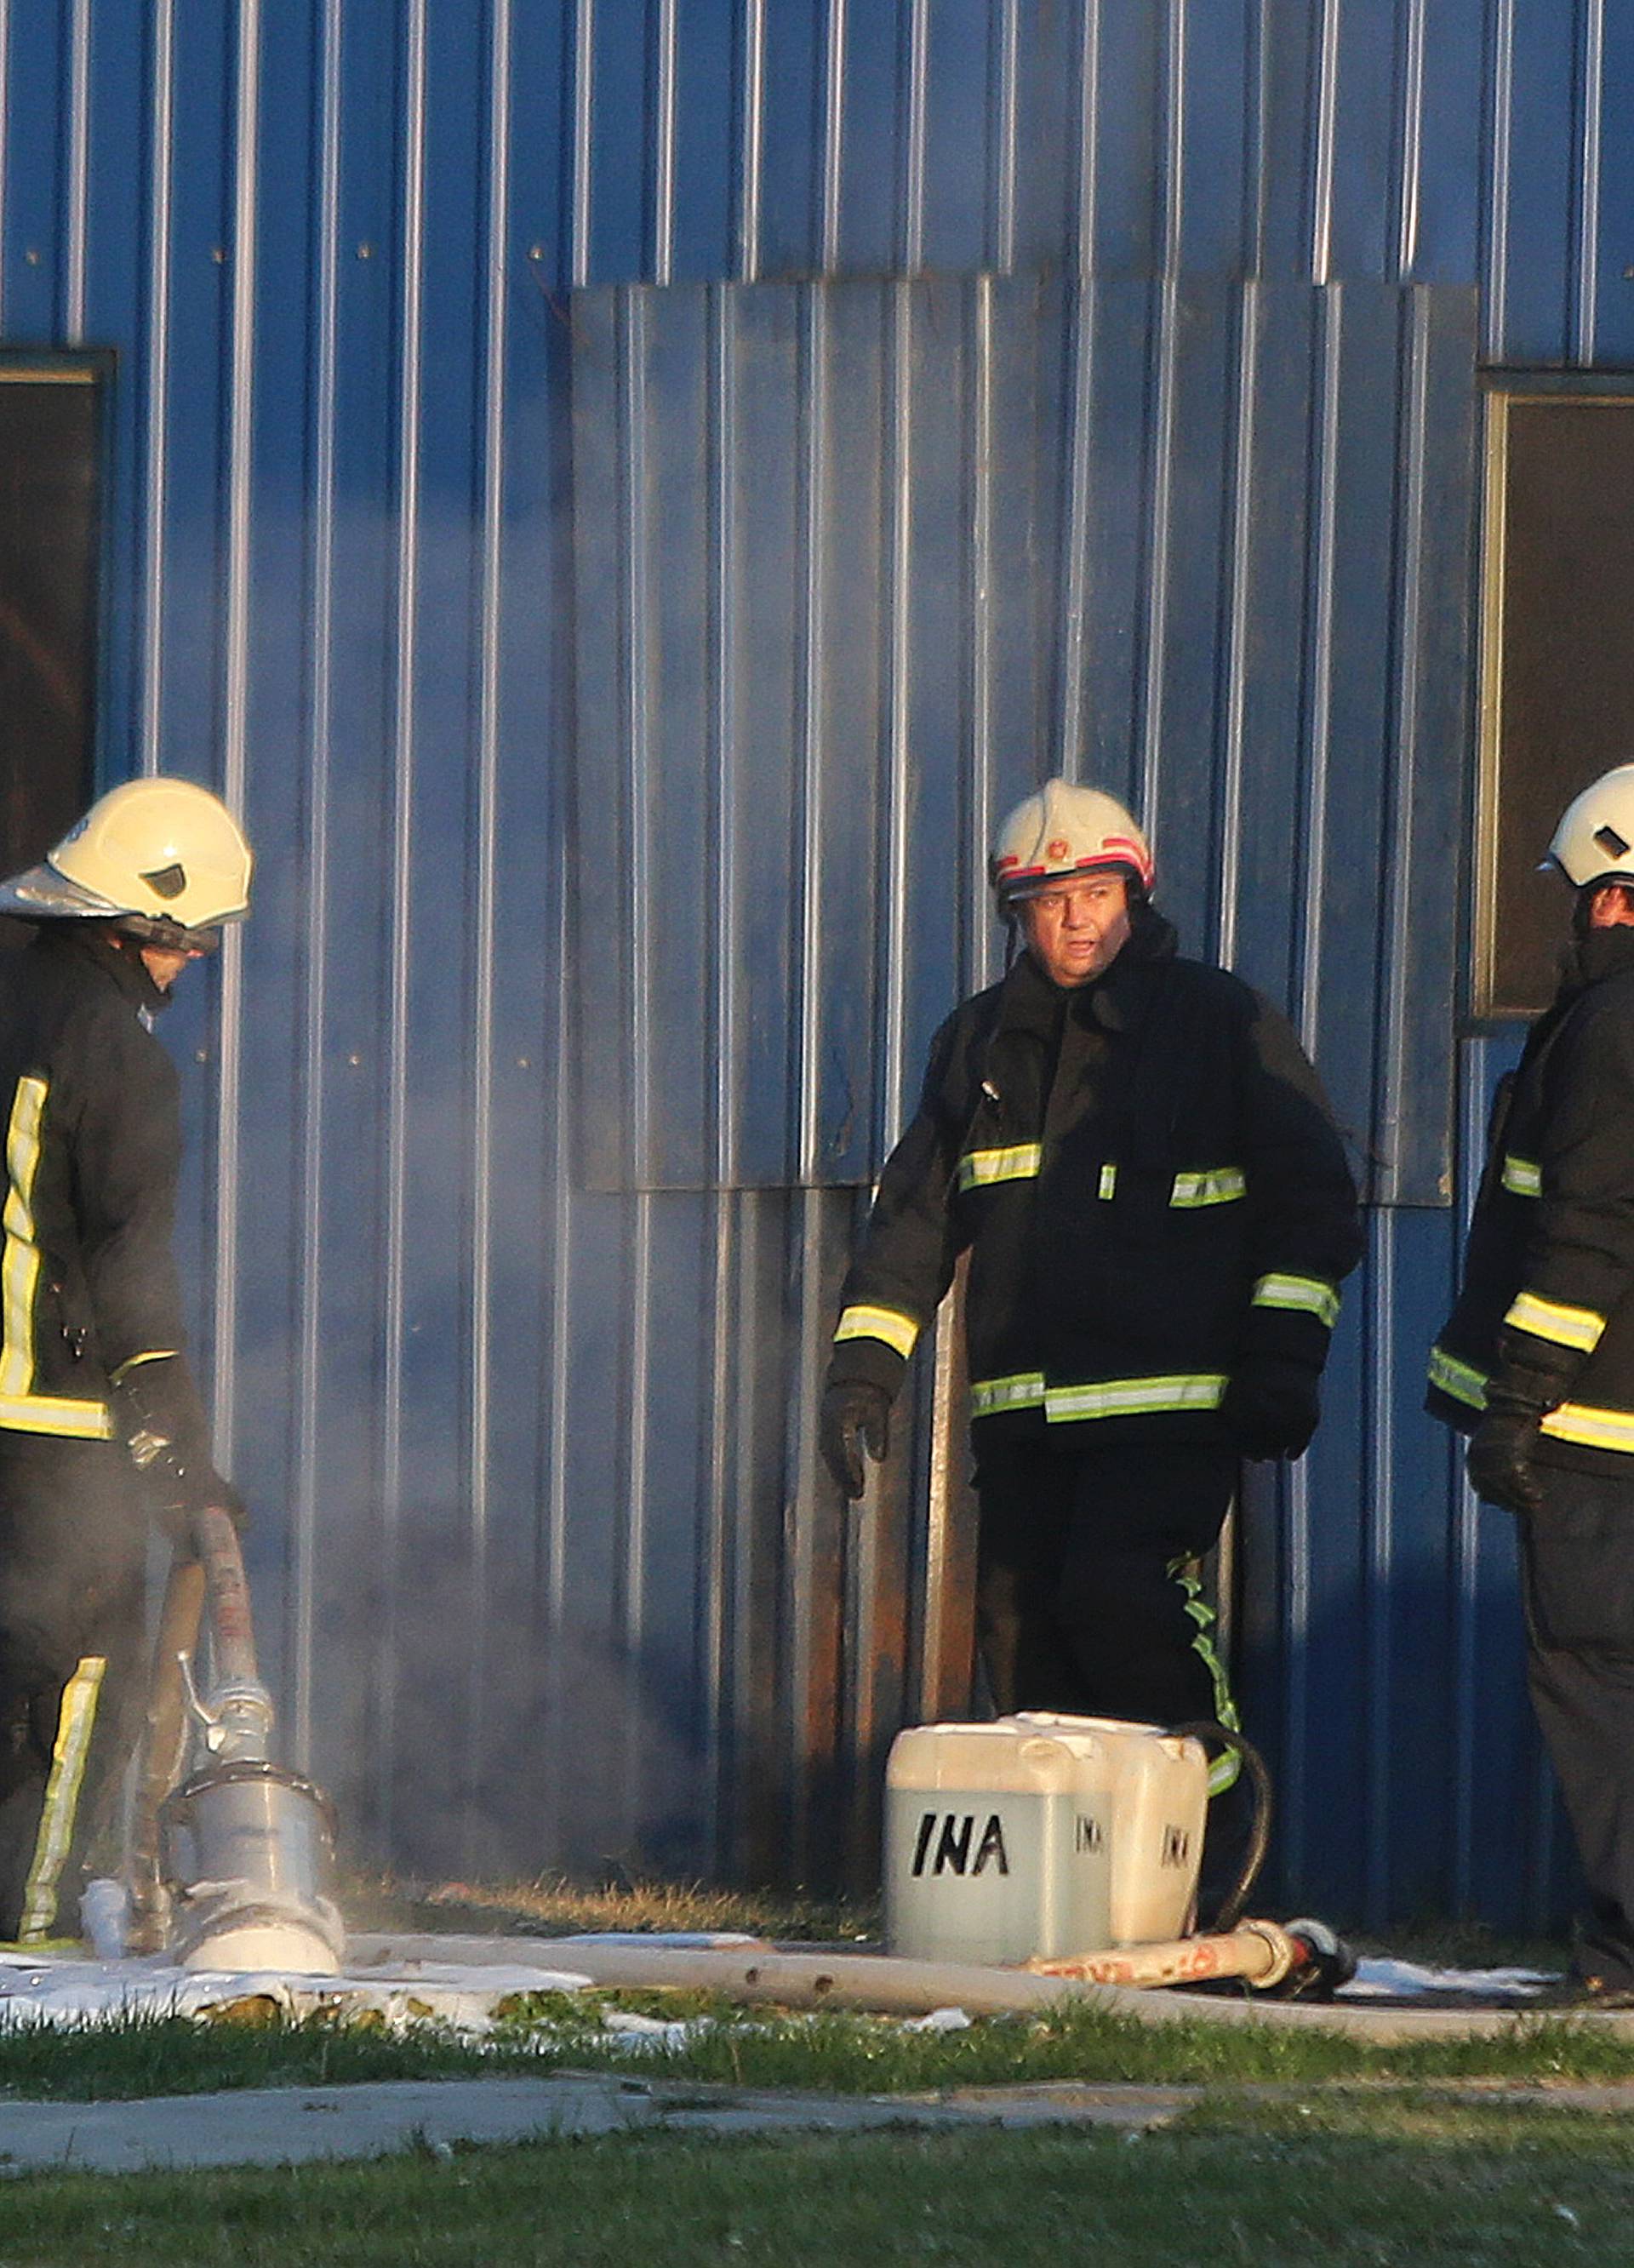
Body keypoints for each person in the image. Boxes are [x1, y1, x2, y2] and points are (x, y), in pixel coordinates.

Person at [820, 779, 1362, 1902]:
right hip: (1022, 1418)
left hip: (1170, 1407)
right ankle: (1047, 1904)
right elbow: (914, 1221)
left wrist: (1282, 1363)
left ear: (1136, 894)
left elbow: (1314, 1206)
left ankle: (1210, 1864)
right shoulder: (977, 1042)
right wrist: (863, 1374)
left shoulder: (1218, 1023)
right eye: (1054, 899)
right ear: (1018, 912)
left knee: (1129, 1605)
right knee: (1023, 1655)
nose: (1080, 920)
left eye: (1101, 893)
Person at [0, 776, 251, 1944]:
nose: (192, 962)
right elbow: (134, 1289)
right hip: (50, 1430)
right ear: (137, 922)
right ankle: (29, 1934)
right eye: (191, 937)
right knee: (66, 1679)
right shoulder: (122, 1065)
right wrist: (178, 1462)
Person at [1428, 763, 1634, 2005]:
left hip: (1600, 1430)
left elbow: (1586, 1232)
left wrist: (1519, 1400)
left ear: (1613, 898)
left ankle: (1625, 1946)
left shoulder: (1610, 1026)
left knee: (1595, 1672)